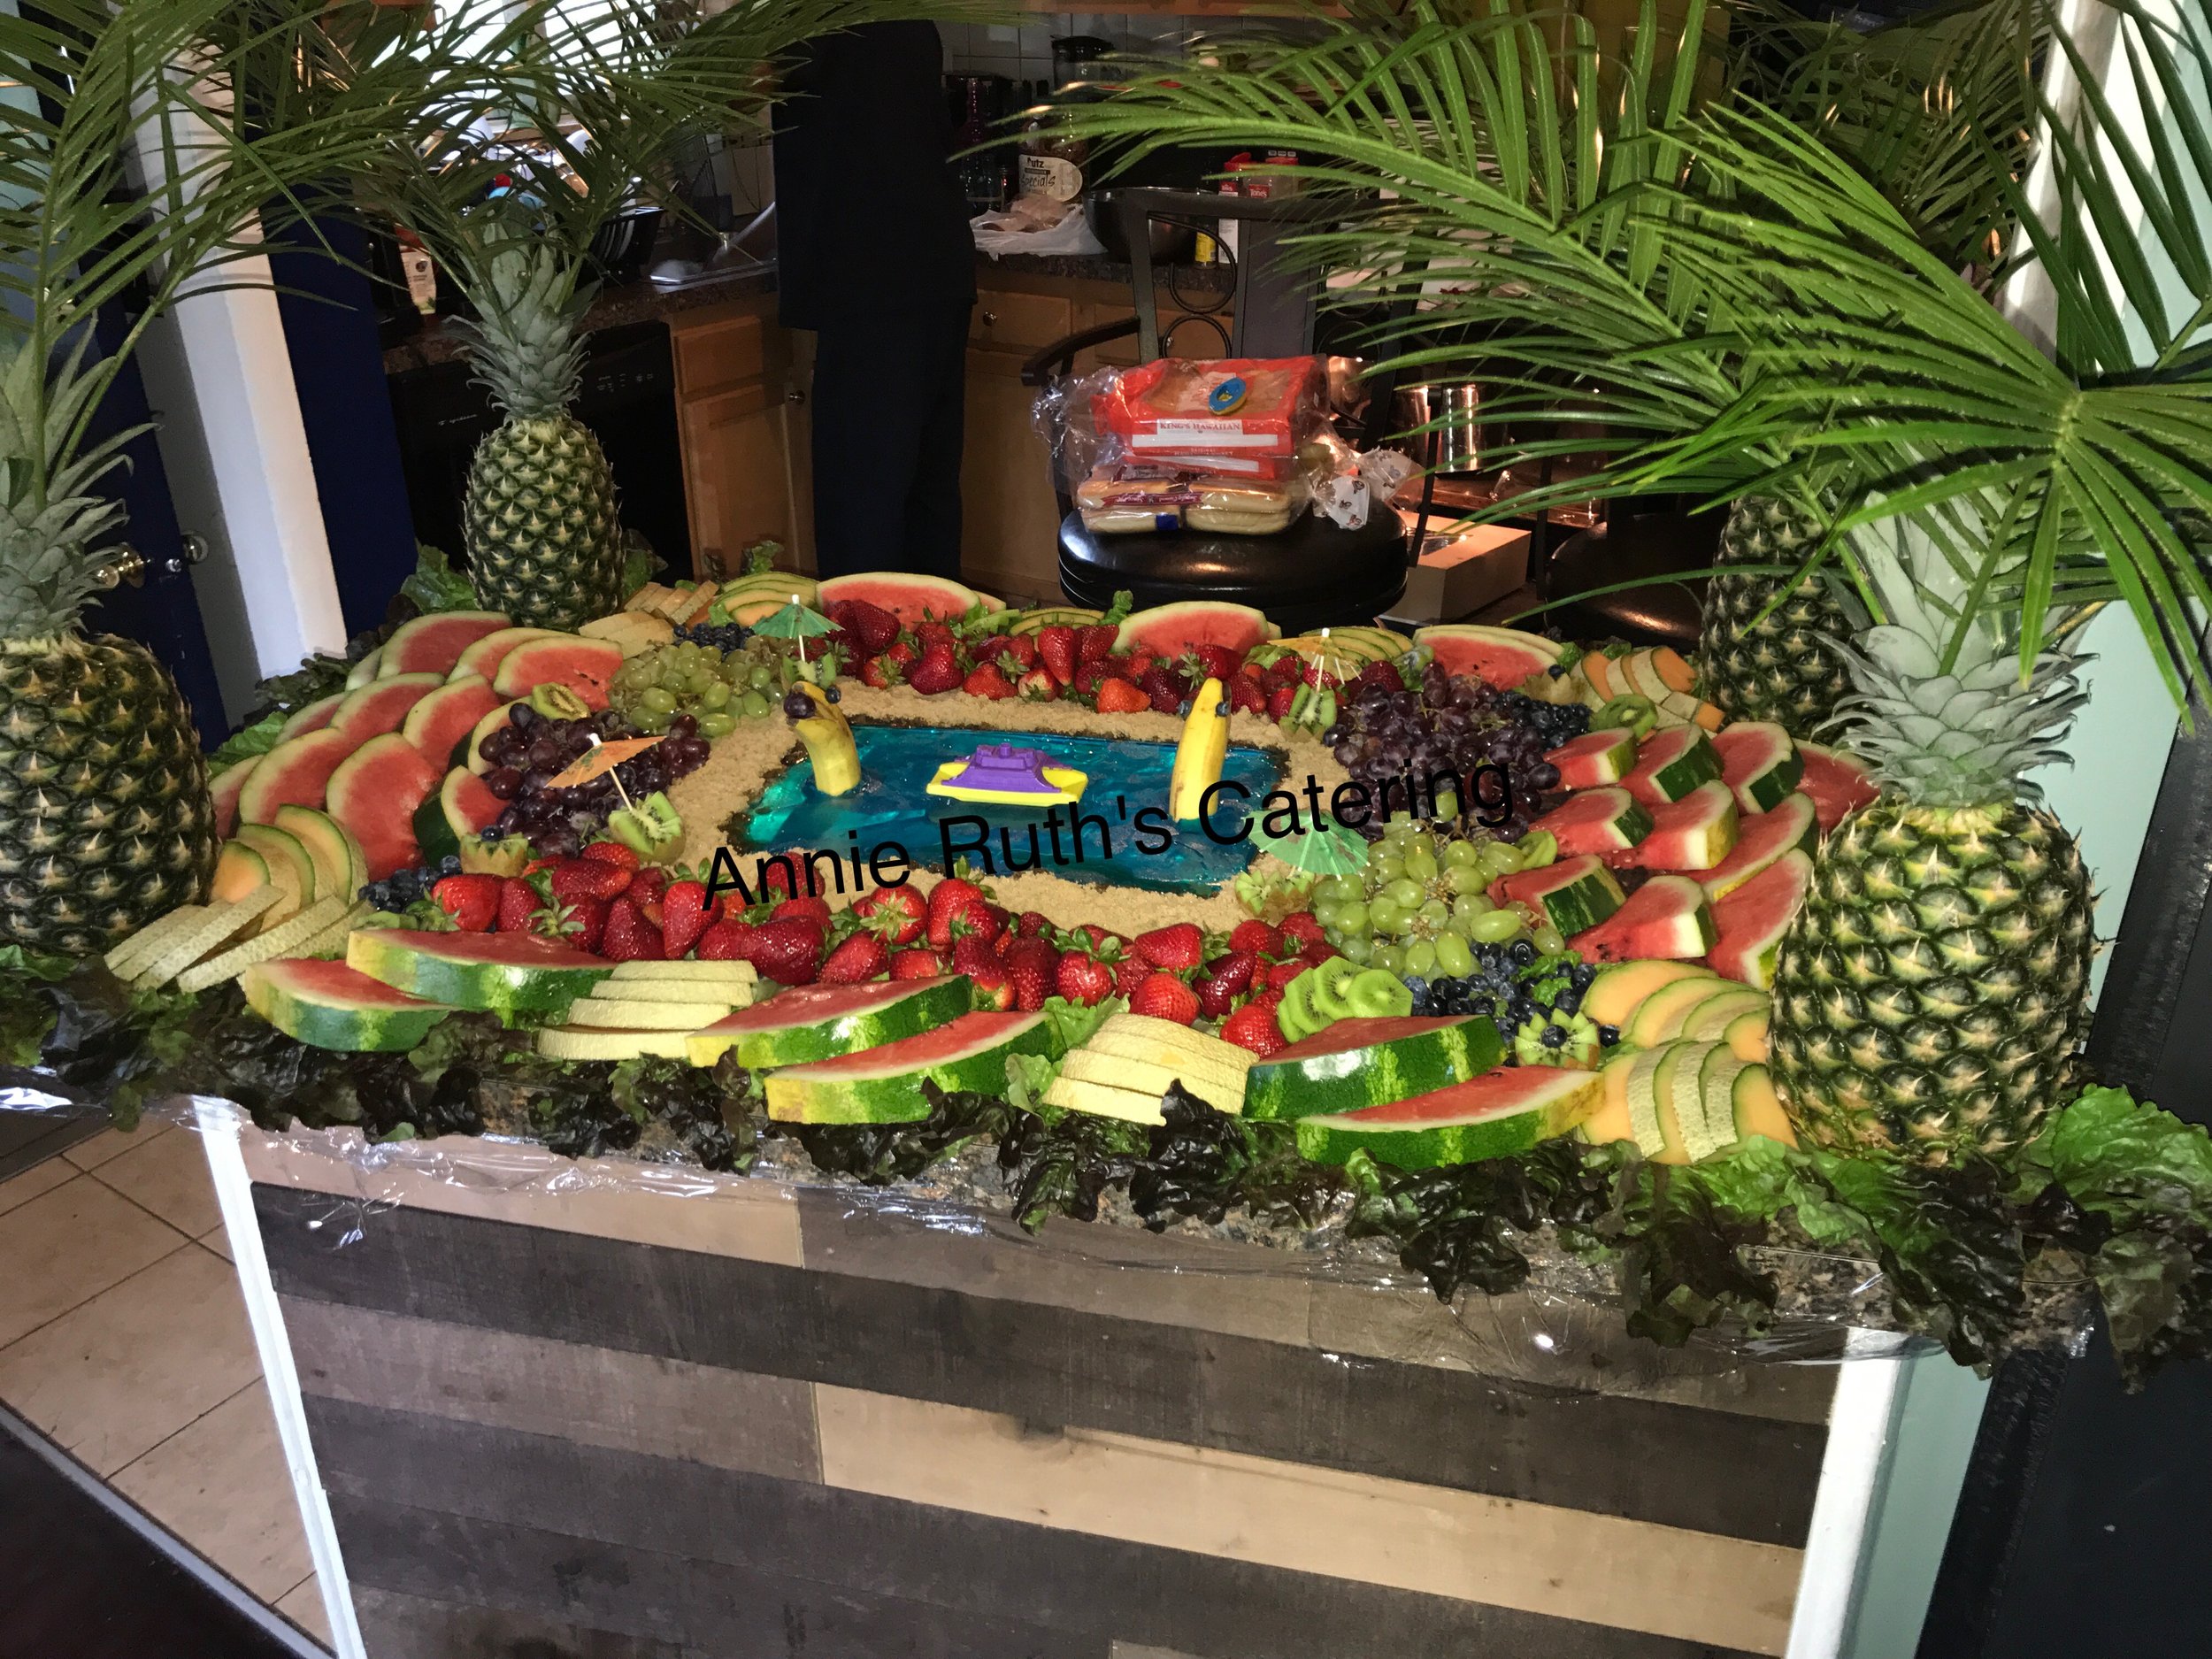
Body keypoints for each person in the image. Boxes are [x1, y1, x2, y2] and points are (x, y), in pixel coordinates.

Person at [773, 22, 976, 581]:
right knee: (925, 491)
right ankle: (935, 646)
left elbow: (724, 92)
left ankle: (868, 656)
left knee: (862, 499)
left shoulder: (816, 19)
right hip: (934, 262)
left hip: (870, 277)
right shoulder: (905, 17)